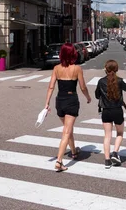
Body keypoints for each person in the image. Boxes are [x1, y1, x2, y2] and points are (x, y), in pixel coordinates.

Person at [45, 42, 91, 172]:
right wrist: (88, 97)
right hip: (71, 100)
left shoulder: (56, 68)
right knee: (66, 131)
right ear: (73, 54)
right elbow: (82, 87)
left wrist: (47, 103)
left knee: (67, 128)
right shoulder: (77, 68)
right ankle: (59, 161)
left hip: (59, 100)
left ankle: (74, 152)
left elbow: (51, 86)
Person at [95, 59, 126, 169]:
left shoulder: (101, 81)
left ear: (106, 69)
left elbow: (97, 95)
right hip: (117, 110)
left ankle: (107, 160)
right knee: (119, 133)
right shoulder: (119, 81)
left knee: (107, 135)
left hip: (106, 111)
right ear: (116, 69)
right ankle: (115, 153)